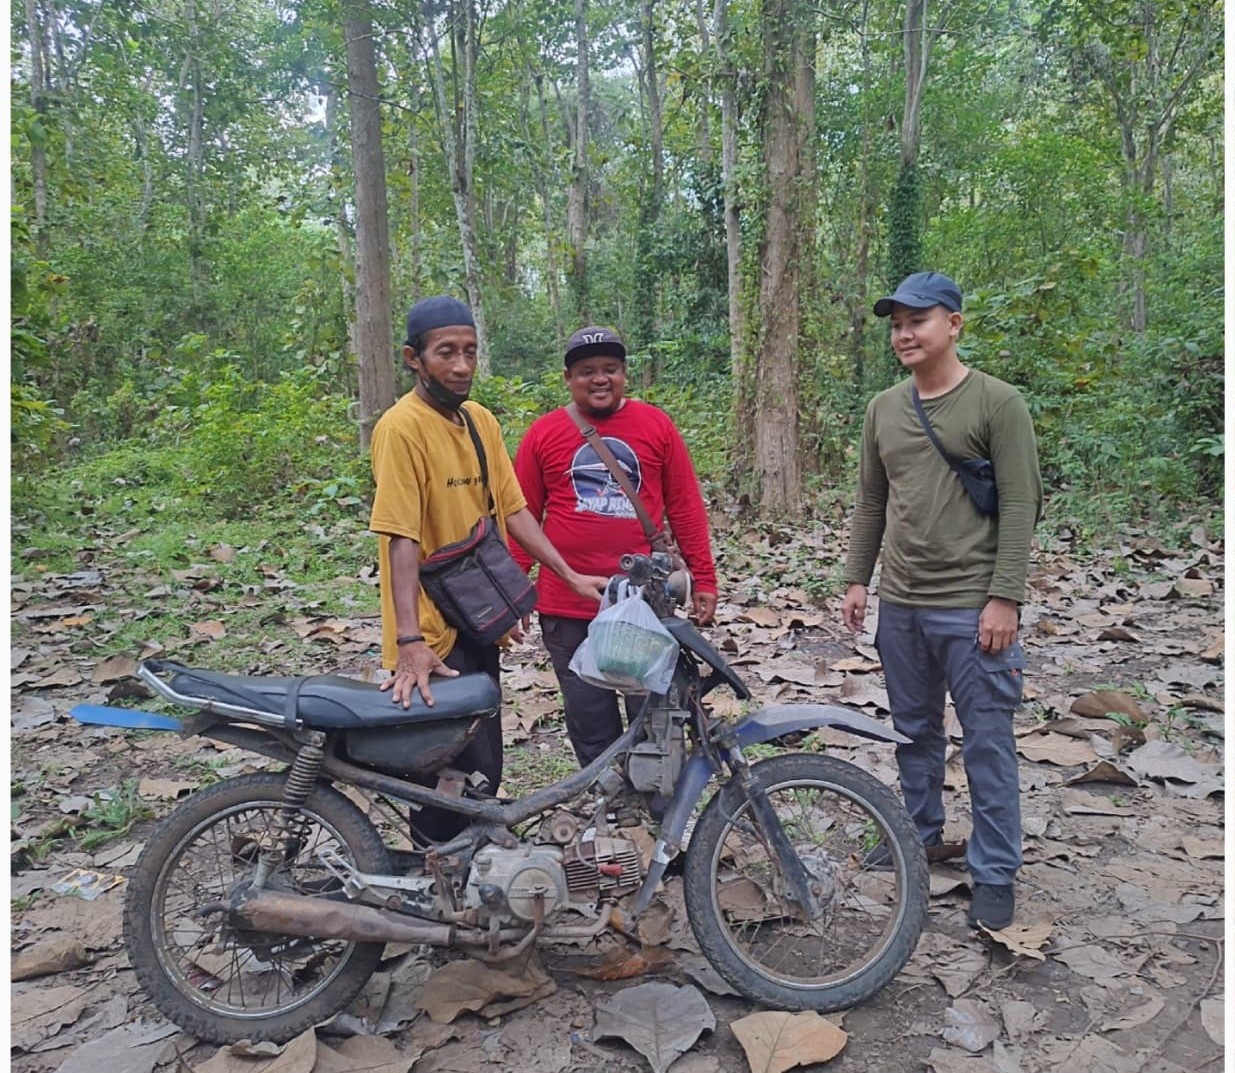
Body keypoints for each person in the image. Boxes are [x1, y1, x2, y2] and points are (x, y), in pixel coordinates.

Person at [840, 271, 1043, 931]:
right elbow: (873, 499)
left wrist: (1004, 596)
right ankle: (918, 834)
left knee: (986, 742)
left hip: (971, 604)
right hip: (900, 603)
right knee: (913, 734)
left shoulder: (996, 402)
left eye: (917, 320)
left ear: (952, 323)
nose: (903, 333)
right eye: (895, 323)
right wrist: (855, 579)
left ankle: (993, 871)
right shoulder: (882, 408)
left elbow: (1020, 502)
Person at [369, 296, 607, 840]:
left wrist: (567, 577)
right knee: (441, 770)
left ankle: (467, 874)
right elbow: (400, 538)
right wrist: (408, 641)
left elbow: (514, 511)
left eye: (470, 352)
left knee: (483, 764)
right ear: (414, 358)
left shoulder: (479, 422)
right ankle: (433, 892)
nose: (460, 365)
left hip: (474, 618)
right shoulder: (400, 428)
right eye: (446, 352)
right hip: (428, 630)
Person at [512, 325, 719, 767]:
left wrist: (704, 578)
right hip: (567, 605)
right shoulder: (543, 433)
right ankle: (606, 804)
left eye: (610, 369)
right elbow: (521, 516)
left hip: (645, 604)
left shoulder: (655, 425)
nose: (599, 379)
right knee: (589, 718)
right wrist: (515, 594)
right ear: (568, 378)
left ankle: (655, 810)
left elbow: (684, 506)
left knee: (651, 712)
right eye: (587, 371)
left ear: (625, 375)